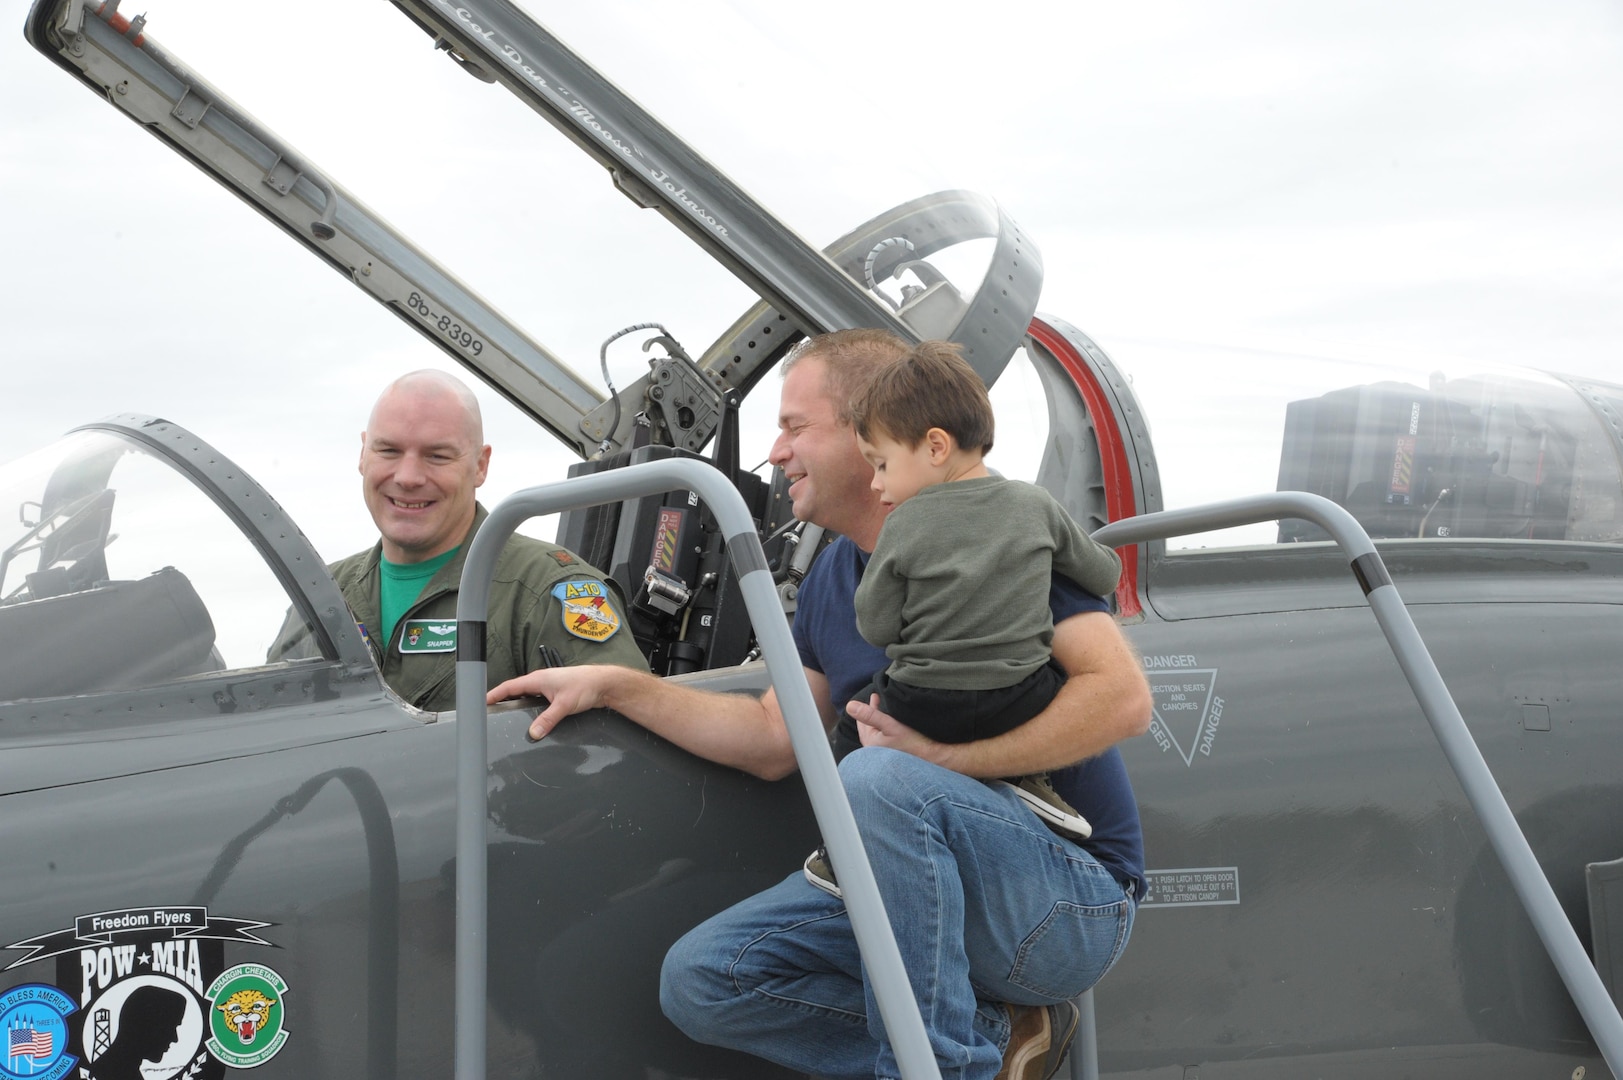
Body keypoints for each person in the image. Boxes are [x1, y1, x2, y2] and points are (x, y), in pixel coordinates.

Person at [488, 330, 1151, 1080]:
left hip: (1064, 901)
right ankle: (997, 1044)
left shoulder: (995, 533)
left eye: (794, 426)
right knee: (705, 978)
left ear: (869, 430)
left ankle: (942, 1069)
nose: (775, 452)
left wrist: (948, 762)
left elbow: (1120, 700)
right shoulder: (835, 575)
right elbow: (777, 734)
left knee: (874, 780)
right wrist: (614, 685)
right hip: (919, 889)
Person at [800, 340, 1122, 899]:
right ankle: (1032, 780)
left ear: (934, 447)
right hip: (1019, 696)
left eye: (881, 465)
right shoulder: (1035, 505)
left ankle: (839, 853)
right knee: (1056, 678)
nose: (877, 485)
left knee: (861, 716)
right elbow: (1102, 574)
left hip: (925, 706)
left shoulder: (903, 526)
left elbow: (874, 626)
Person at [269, 369, 647, 709]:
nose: (408, 476)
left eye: (437, 456)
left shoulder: (546, 592)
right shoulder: (320, 599)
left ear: (480, 465)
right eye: (388, 450)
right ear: (363, 454)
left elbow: (627, 742)